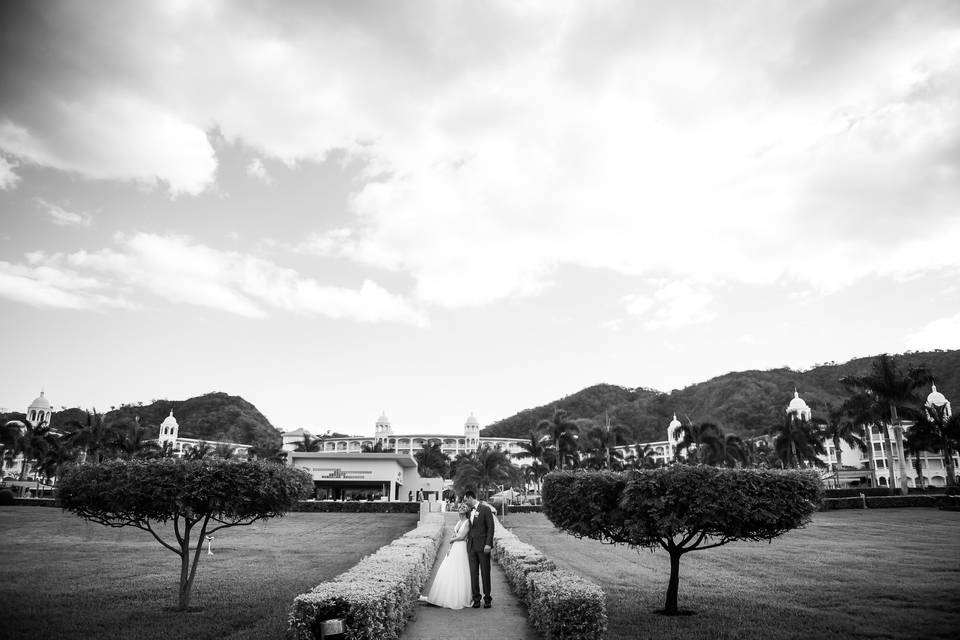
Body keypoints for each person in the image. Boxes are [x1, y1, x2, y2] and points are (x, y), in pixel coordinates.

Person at [424, 503, 473, 609]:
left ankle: (457, 598)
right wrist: (450, 548)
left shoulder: (467, 522)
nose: (461, 508)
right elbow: (454, 535)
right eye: (460, 506)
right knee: (449, 569)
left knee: (458, 570)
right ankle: (444, 596)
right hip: (454, 547)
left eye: (464, 507)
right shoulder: (459, 521)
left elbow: (461, 536)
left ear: (468, 510)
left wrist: (452, 540)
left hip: (461, 548)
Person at [463, 490, 494, 608]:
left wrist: (488, 544)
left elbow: (490, 528)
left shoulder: (485, 509)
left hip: (483, 547)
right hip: (471, 547)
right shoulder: (468, 511)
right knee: (473, 574)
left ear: (470, 497)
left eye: (466, 500)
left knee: (485, 573)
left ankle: (487, 599)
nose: (465, 502)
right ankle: (476, 599)